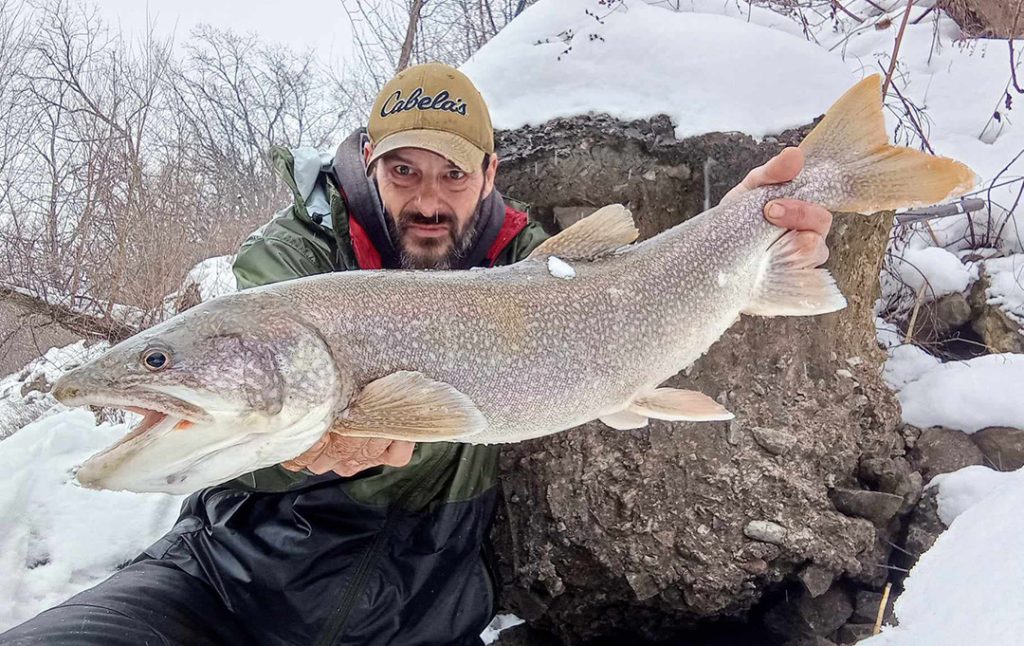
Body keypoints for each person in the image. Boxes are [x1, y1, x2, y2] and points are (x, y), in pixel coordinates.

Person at [0, 63, 833, 645]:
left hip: (428, 615)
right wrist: (310, 456)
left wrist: (744, 231)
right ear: (371, 164)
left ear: (490, 173)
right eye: (403, 171)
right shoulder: (286, 268)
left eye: (452, 175)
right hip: (225, 589)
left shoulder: (537, 267)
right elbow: (236, 442)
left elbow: (635, 291)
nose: (428, 200)